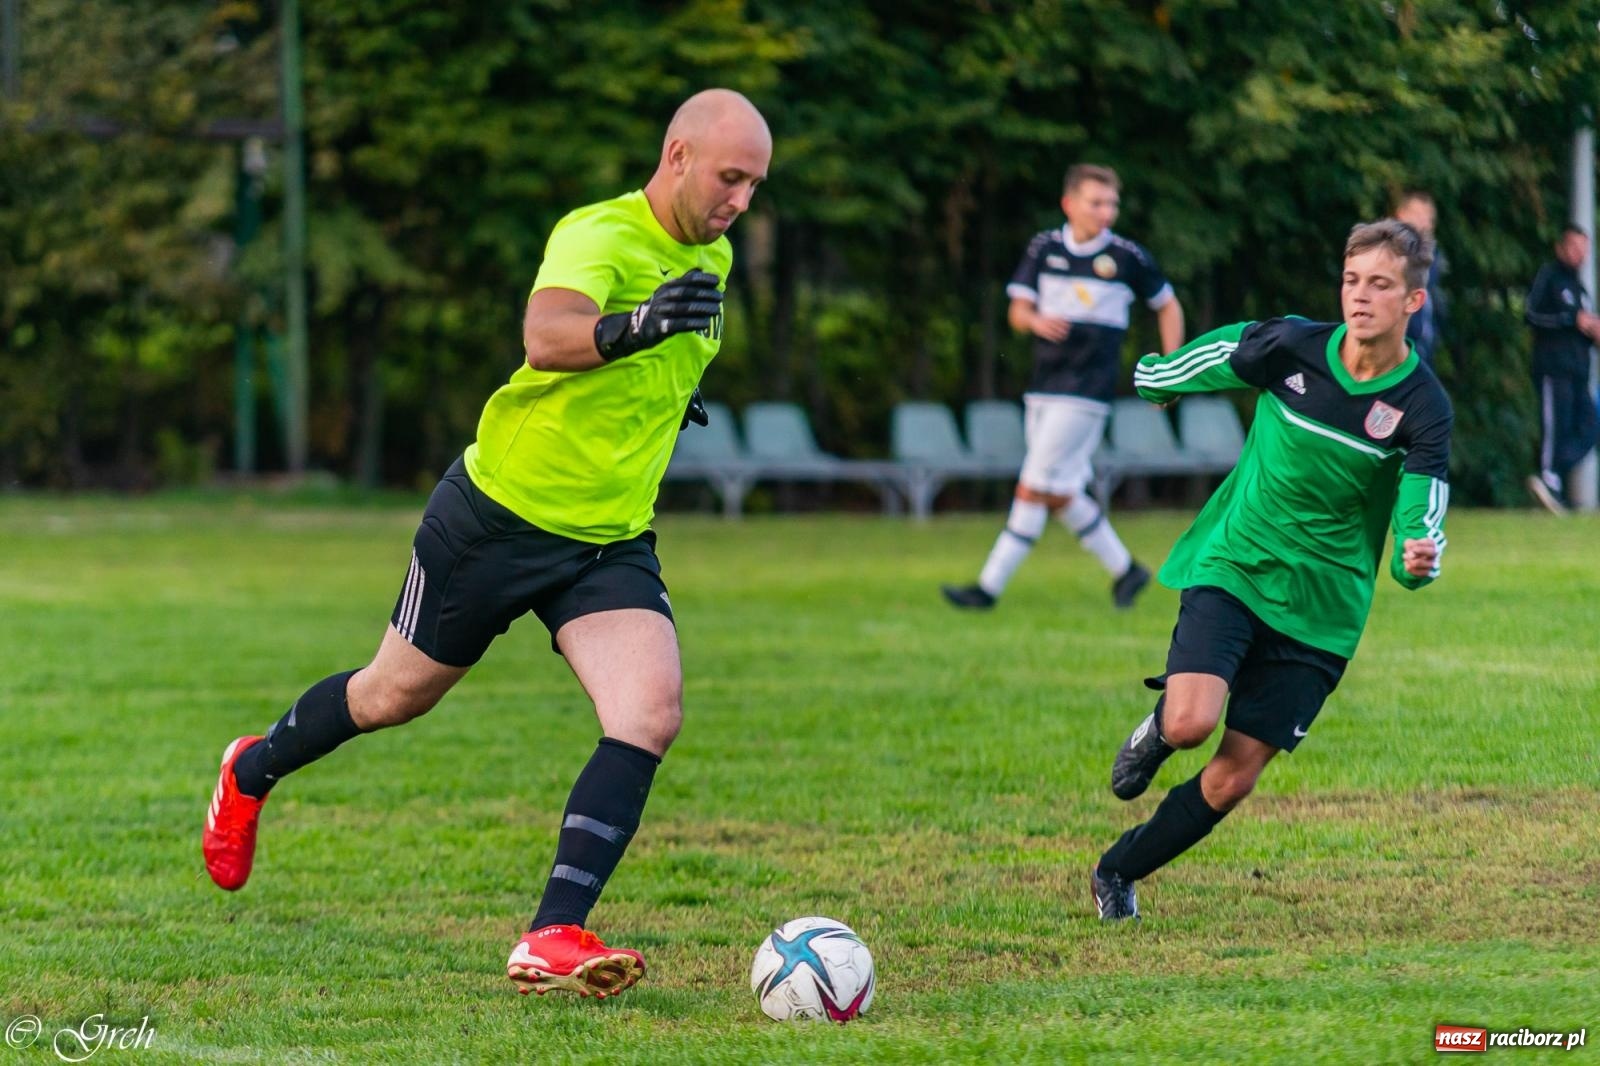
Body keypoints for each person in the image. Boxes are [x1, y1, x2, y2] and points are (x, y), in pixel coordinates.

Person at [201, 89, 773, 997]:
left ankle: (553, 932)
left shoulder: (717, 255)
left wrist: (666, 385)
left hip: (607, 538)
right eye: (730, 177)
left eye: (755, 185)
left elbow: (665, 364)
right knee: (391, 696)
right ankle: (251, 768)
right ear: (677, 156)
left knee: (649, 713)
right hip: (496, 520)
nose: (740, 200)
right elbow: (546, 338)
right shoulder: (598, 234)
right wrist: (634, 329)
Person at [1089, 219, 1452, 922]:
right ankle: (1160, 730)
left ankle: (1116, 871)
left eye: (1380, 284)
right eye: (1352, 280)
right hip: (1238, 562)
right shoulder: (1293, 345)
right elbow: (1220, 352)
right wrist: (1157, 379)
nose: (1360, 297)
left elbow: (1422, 511)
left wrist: (1418, 559)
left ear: (1413, 301)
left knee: (1232, 781)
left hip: (1323, 610)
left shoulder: (1423, 406)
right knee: (1193, 723)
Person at [942, 164, 1184, 612]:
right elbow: (1017, 311)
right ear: (1069, 204)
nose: (1106, 212)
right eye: (1096, 202)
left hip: (1086, 393)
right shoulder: (1045, 247)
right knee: (1059, 492)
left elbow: (1167, 305)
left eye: (1112, 203)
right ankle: (1126, 570)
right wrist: (1035, 320)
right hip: (1043, 389)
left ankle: (987, 588)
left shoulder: (1127, 257)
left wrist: (1172, 369)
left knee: (1032, 485)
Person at [1524, 224, 1600, 515]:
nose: (1578, 254)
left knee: (1590, 425)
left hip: (1579, 372)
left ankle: (1550, 475)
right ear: (1561, 248)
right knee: (1555, 427)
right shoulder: (1550, 277)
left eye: (1583, 248)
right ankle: (1549, 479)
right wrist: (1572, 320)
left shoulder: (1581, 289)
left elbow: (1582, 324)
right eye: (1573, 247)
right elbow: (1532, 315)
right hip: (1553, 368)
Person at [1392, 190, 1448, 365]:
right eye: (1418, 215)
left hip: (1423, 351)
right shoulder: (1386, 254)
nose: (1424, 223)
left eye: (1429, 219)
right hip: (1396, 348)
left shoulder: (1431, 257)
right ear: (1400, 215)